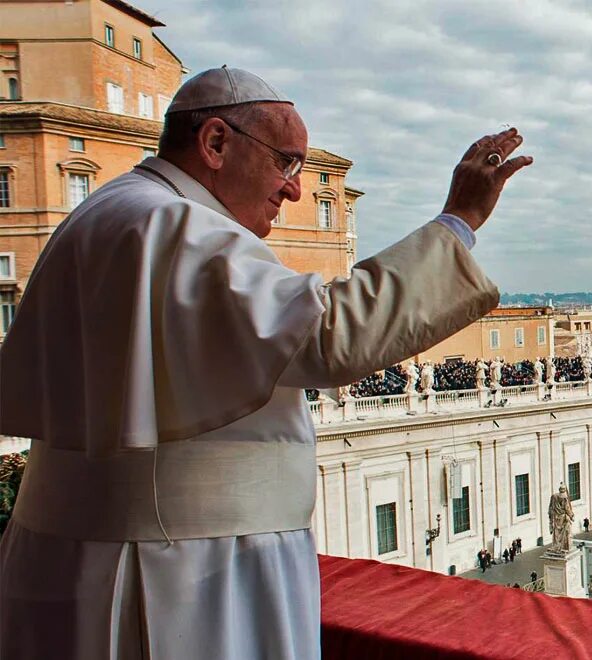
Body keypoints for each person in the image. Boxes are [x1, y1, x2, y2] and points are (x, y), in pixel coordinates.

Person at [0, 66, 532, 659]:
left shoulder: (107, 212)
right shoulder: (170, 222)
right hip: (182, 577)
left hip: (83, 559)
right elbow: (329, 334)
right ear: (216, 143)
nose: (295, 189)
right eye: (286, 162)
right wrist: (459, 221)